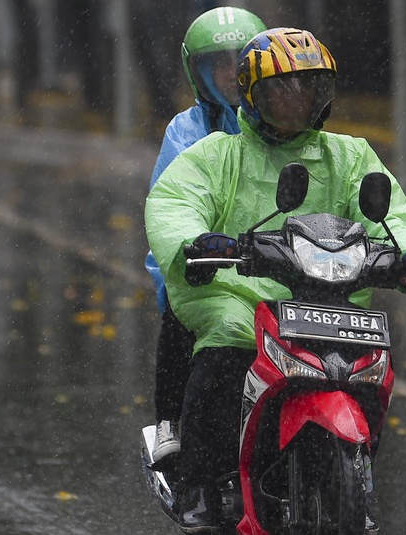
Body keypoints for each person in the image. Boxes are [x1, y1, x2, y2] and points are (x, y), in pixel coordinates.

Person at [144, 28, 406, 533]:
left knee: (369, 364)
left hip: (328, 296)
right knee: (228, 342)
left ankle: (356, 477)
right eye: (283, 87)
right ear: (253, 95)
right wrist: (198, 241)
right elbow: (176, 202)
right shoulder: (218, 153)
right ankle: (203, 479)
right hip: (235, 292)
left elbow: (388, 213)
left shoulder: (350, 155)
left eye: (308, 86)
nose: (296, 97)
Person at [144, 6, 267, 469]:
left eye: (243, 61)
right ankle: (173, 429)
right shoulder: (187, 131)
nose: (233, 73)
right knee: (182, 319)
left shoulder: (287, 129)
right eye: (219, 63)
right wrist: (193, 250)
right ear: (197, 72)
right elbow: (172, 203)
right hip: (212, 267)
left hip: (278, 266)